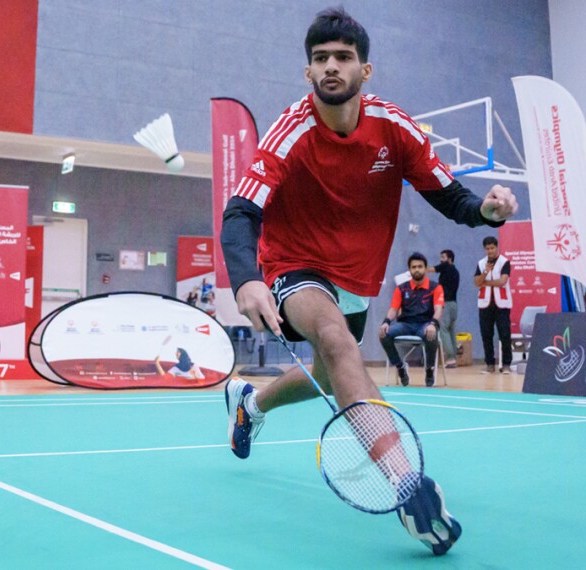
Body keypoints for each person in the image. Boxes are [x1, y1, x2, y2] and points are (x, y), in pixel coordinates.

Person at [220, 7, 517, 556]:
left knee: (331, 375)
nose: (331, 66)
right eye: (320, 59)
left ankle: (250, 405)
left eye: (343, 57)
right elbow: (240, 212)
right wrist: (245, 281)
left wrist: (488, 213)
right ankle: (408, 488)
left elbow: (449, 195)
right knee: (335, 341)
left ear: (365, 70)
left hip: (357, 275)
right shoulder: (290, 134)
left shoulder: (394, 128)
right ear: (308, 72)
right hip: (295, 263)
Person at [379, 253, 444, 387]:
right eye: (414, 267)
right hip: (405, 325)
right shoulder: (401, 288)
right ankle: (400, 367)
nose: (417, 269)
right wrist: (386, 322)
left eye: (420, 266)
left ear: (425, 269)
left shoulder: (435, 287)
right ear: (409, 270)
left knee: (431, 335)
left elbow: (438, 309)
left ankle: (429, 369)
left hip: (425, 324)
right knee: (384, 334)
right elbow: (393, 309)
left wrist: (433, 324)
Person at [474, 236, 513, 374]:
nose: (490, 251)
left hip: (502, 304)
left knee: (504, 334)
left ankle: (506, 364)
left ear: (497, 247)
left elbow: (502, 281)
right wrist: (485, 272)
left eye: (492, 248)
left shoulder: (504, 262)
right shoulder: (481, 263)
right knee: (486, 334)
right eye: (487, 248)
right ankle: (490, 364)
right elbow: (476, 282)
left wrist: (485, 283)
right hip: (485, 303)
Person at [427, 249, 460, 368]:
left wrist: (417, 269)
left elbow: (431, 269)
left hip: (445, 304)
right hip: (454, 305)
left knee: (444, 330)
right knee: (451, 330)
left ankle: (450, 358)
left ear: (449, 259)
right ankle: (454, 356)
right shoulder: (455, 271)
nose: (441, 259)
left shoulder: (446, 267)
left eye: (443, 257)